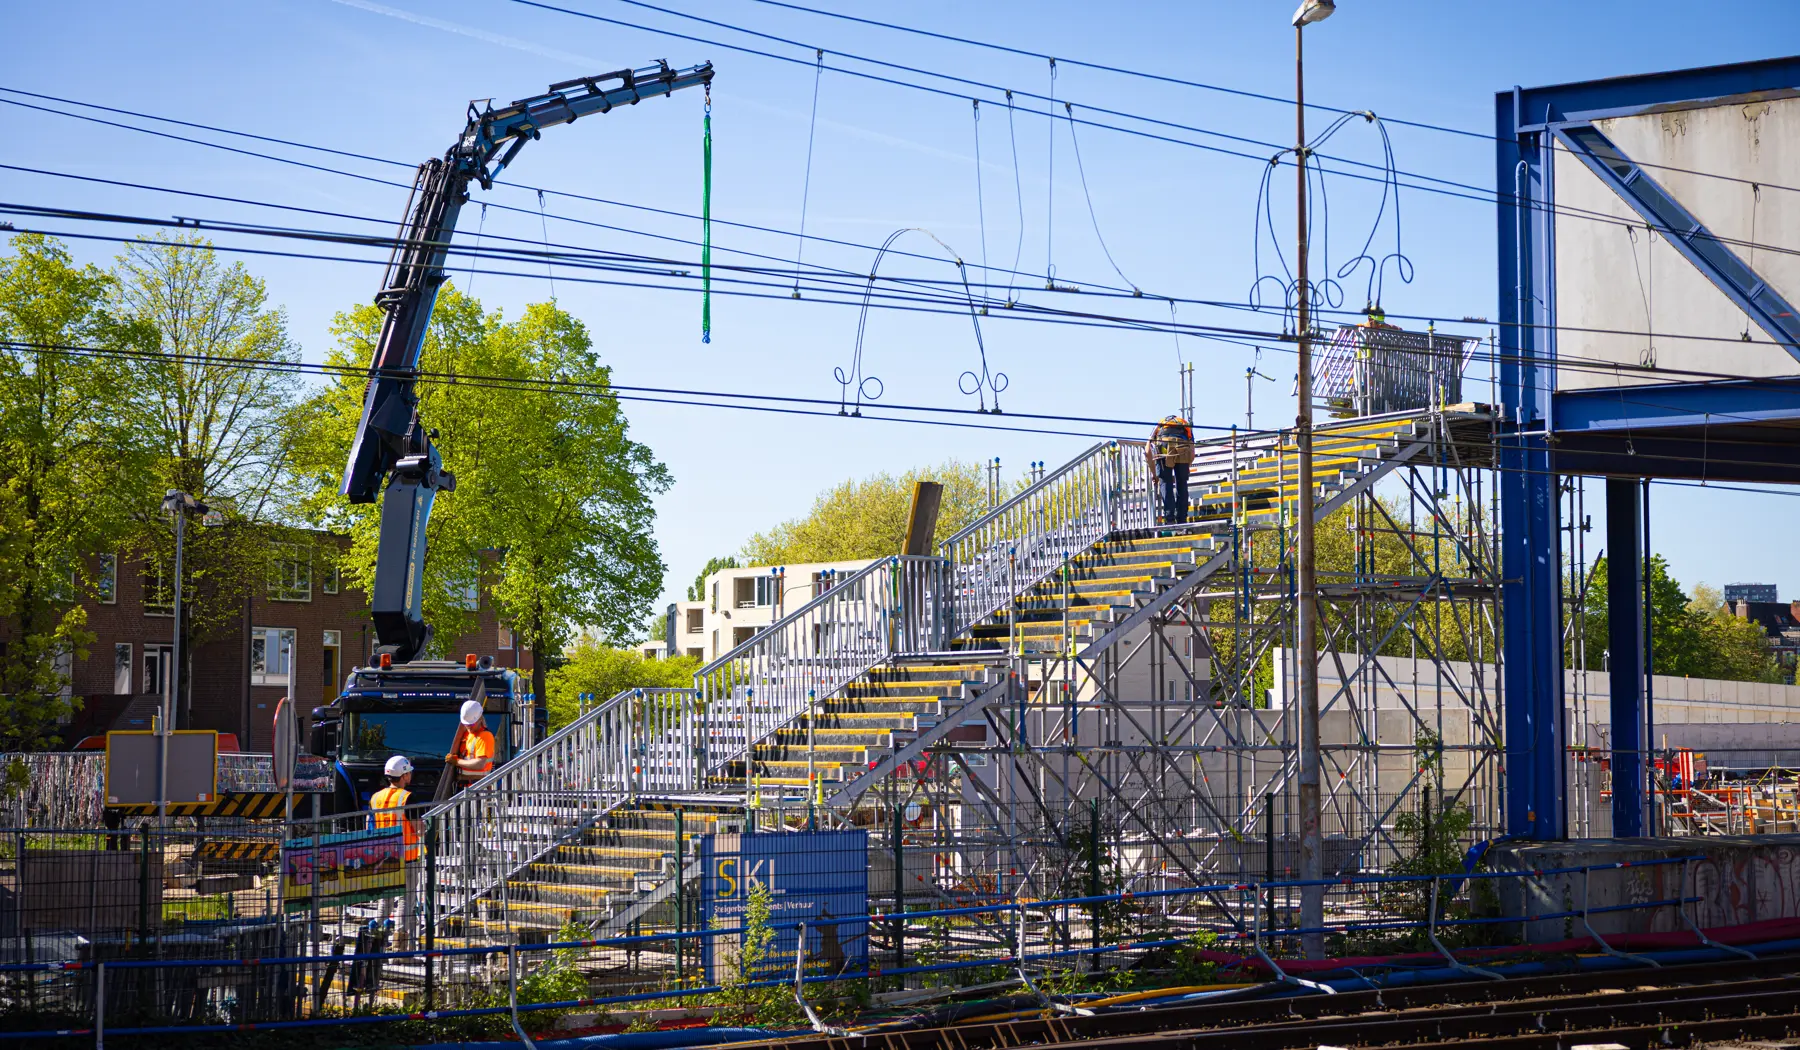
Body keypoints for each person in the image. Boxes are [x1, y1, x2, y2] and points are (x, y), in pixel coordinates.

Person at [370, 755, 422, 949]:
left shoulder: (376, 798)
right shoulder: (408, 797)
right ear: (404, 775)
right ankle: (399, 946)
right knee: (405, 901)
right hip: (407, 859)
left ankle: (375, 941)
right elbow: (419, 829)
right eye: (409, 773)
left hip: (384, 858)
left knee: (385, 899)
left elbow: (370, 826)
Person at [1148, 414, 1194, 525]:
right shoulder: (1184, 425)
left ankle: (1169, 520)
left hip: (1163, 445)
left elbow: (1147, 451)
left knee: (1165, 482)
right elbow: (1192, 453)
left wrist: (1155, 474)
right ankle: (1182, 519)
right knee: (1182, 483)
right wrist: (1185, 468)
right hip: (1183, 445)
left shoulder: (1159, 425)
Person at [444, 698, 496, 789]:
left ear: (480, 719)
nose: (469, 727)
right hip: (466, 788)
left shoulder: (485, 736)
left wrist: (457, 762)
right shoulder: (467, 735)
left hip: (478, 789)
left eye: (471, 724)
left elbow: (480, 764)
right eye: (466, 724)